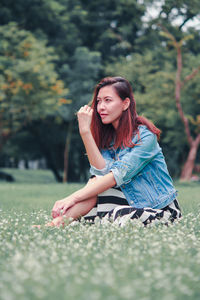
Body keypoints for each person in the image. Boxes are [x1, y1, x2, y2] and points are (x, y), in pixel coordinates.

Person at [34, 76, 181, 228]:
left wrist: (72, 198)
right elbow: (100, 174)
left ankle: (89, 221)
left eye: (108, 100)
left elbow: (116, 176)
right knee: (81, 219)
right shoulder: (108, 140)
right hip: (129, 204)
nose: (100, 107)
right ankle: (53, 225)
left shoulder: (145, 137)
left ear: (125, 104)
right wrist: (85, 131)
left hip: (161, 210)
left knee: (117, 216)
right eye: (98, 101)